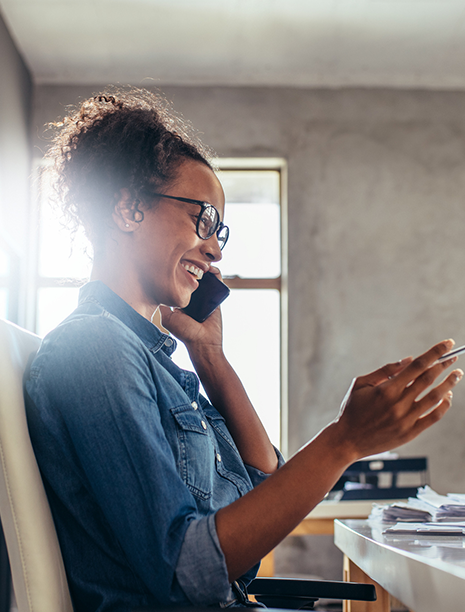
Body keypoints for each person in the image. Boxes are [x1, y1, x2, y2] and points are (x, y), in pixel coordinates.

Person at [24, 87, 463, 612]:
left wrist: (213, 359)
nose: (213, 248)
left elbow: (259, 509)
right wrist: (344, 440)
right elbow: (189, 572)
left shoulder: (154, 363)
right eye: (201, 219)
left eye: (220, 232)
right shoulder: (93, 350)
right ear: (127, 208)